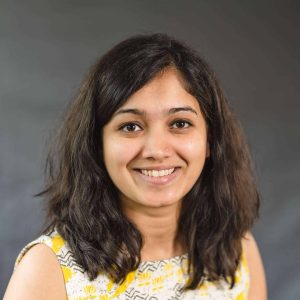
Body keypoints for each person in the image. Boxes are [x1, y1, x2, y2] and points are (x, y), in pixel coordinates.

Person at [4, 33, 267, 299]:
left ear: (210, 139)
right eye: (131, 127)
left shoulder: (237, 251)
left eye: (180, 123)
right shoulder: (49, 269)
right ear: (97, 144)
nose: (157, 151)